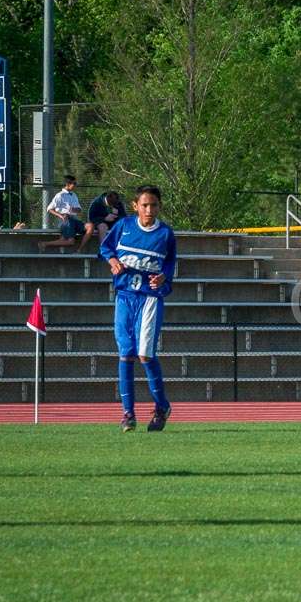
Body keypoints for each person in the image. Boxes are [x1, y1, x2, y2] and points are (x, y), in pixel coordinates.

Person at [98, 185, 178, 433]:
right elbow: (105, 248)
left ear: (159, 206)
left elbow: (169, 265)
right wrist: (112, 262)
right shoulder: (124, 226)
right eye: (144, 205)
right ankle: (128, 414)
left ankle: (161, 406)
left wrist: (162, 278)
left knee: (144, 355)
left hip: (149, 298)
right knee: (126, 353)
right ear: (135, 206)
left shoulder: (165, 234)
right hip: (124, 296)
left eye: (153, 205)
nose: (149, 209)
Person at [38, 175, 86, 251]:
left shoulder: (74, 195)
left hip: (74, 219)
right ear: (68, 184)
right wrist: (60, 216)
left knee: (89, 227)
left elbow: (79, 209)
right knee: (71, 241)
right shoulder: (60, 195)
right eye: (74, 183)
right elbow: (49, 208)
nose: (75, 186)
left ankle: (45, 244)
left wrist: (75, 209)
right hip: (66, 220)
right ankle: (45, 244)